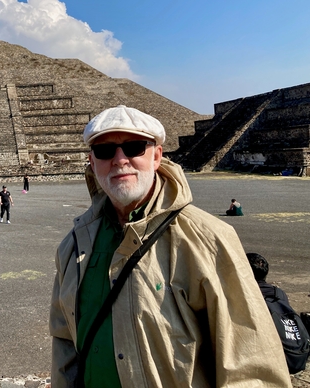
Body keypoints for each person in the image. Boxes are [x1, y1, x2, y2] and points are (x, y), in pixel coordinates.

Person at [50, 105, 290, 387]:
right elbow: (64, 340)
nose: (119, 160)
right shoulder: (74, 245)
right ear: (92, 161)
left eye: (134, 147)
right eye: (104, 151)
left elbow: (251, 365)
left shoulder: (208, 238)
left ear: (157, 156)